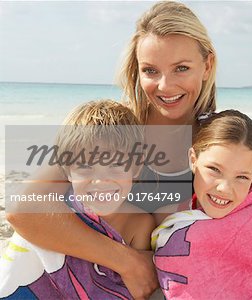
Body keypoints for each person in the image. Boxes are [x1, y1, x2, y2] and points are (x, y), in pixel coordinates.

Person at [6, 1, 216, 298]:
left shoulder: (219, 141)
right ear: (136, 71)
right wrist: (126, 261)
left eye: (181, 68)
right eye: (151, 70)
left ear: (207, 66)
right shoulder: (111, 131)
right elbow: (22, 209)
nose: (165, 85)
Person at [0, 100, 155, 298]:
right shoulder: (55, 207)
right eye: (85, 167)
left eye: (115, 165)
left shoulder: (139, 224)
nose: (100, 181)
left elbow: (138, 285)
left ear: (136, 167)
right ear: (67, 171)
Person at [151, 110, 252, 299]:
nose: (225, 188)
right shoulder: (165, 203)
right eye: (214, 169)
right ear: (193, 160)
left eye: (242, 177)